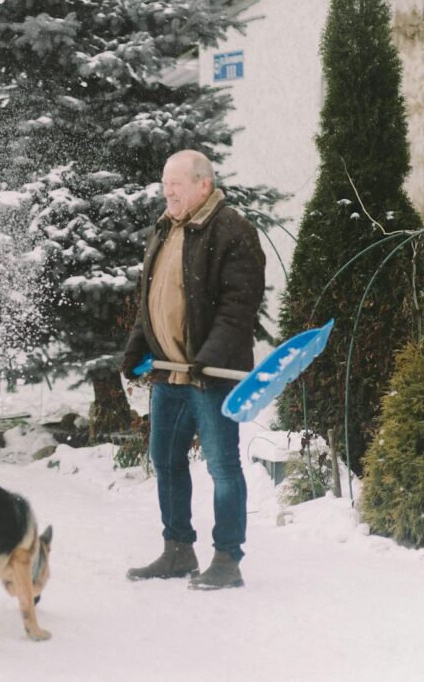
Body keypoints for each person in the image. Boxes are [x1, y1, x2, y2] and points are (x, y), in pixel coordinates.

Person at [121, 149, 265, 590]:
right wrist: (136, 347)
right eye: (165, 184)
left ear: (204, 185)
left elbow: (239, 307)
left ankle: (227, 559)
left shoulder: (232, 230)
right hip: (170, 373)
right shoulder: (165, 229)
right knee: (164, 460)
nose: (168, 192)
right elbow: (153, 297)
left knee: (222, 467)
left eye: (177, 184)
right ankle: (178, 549)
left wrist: (211, 358)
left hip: (209, 375)